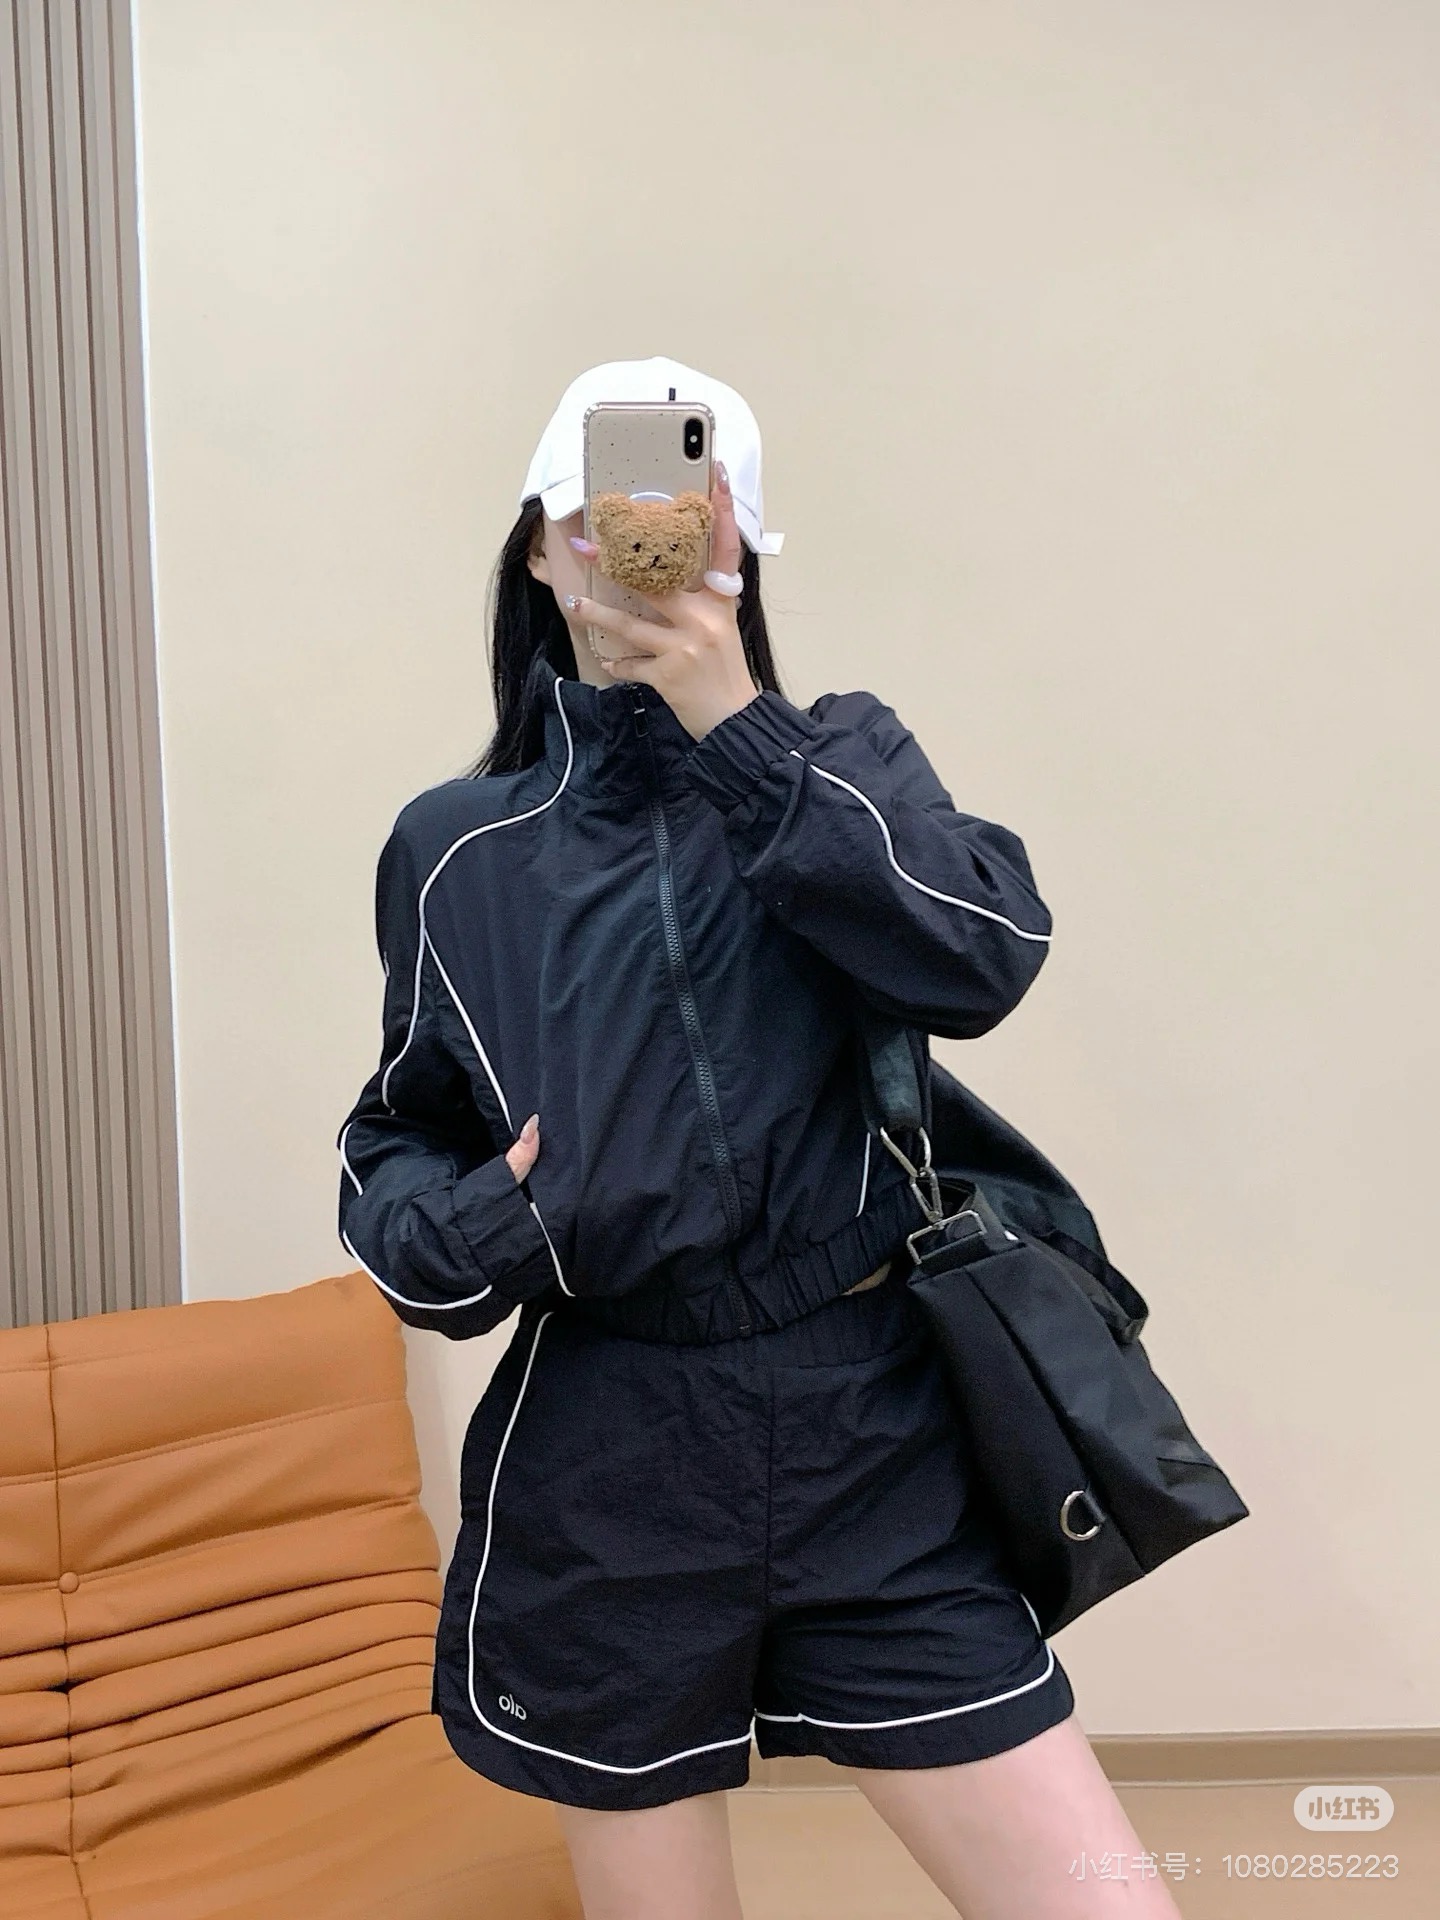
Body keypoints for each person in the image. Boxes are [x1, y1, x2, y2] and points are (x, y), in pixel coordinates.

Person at [335, 356, 1182, 1920]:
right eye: (594, 515)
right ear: (538, 552)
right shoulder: (455, 852)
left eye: (687, 515)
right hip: (614, 1457)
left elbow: (980, 955)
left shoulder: (843, 764)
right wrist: (481, 1226)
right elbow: (400, 1140)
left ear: (740, 549)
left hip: (874, 1432)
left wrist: (733, 723)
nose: (634, 547)